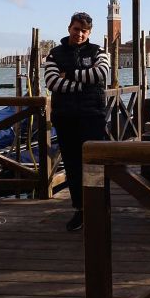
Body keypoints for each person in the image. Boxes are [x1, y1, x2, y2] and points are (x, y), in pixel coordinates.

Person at [44, 12, 110, 232]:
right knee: (72, 165)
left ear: (89, 33)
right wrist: (83, 84)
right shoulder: (54, 53)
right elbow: (52, 81)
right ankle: (80, 210)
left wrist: (70, 74)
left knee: (96, 165)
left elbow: (101, 74)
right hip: (66, 117)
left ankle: (101, 208)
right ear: (69, 28)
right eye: (76, 29)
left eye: (84, 30)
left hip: (93, 116)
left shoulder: (99, 51)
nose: (79, 33)